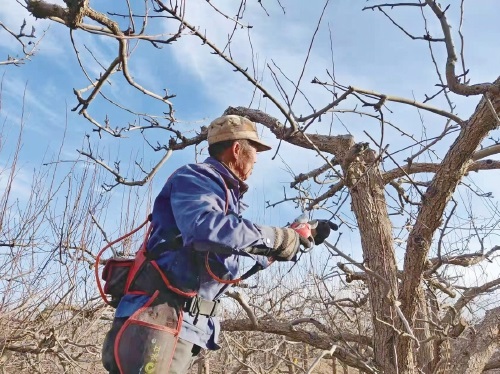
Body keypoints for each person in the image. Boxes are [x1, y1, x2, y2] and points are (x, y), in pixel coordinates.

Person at [102, 115, 332, 374]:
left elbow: (231, 250)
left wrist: (294, 239)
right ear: (237, 149)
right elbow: (205, 229)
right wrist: (277, 238)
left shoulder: (221, 193)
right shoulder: (198, 177)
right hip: (159, 318)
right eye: (254, 150)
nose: (256, 159)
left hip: (176, 323)